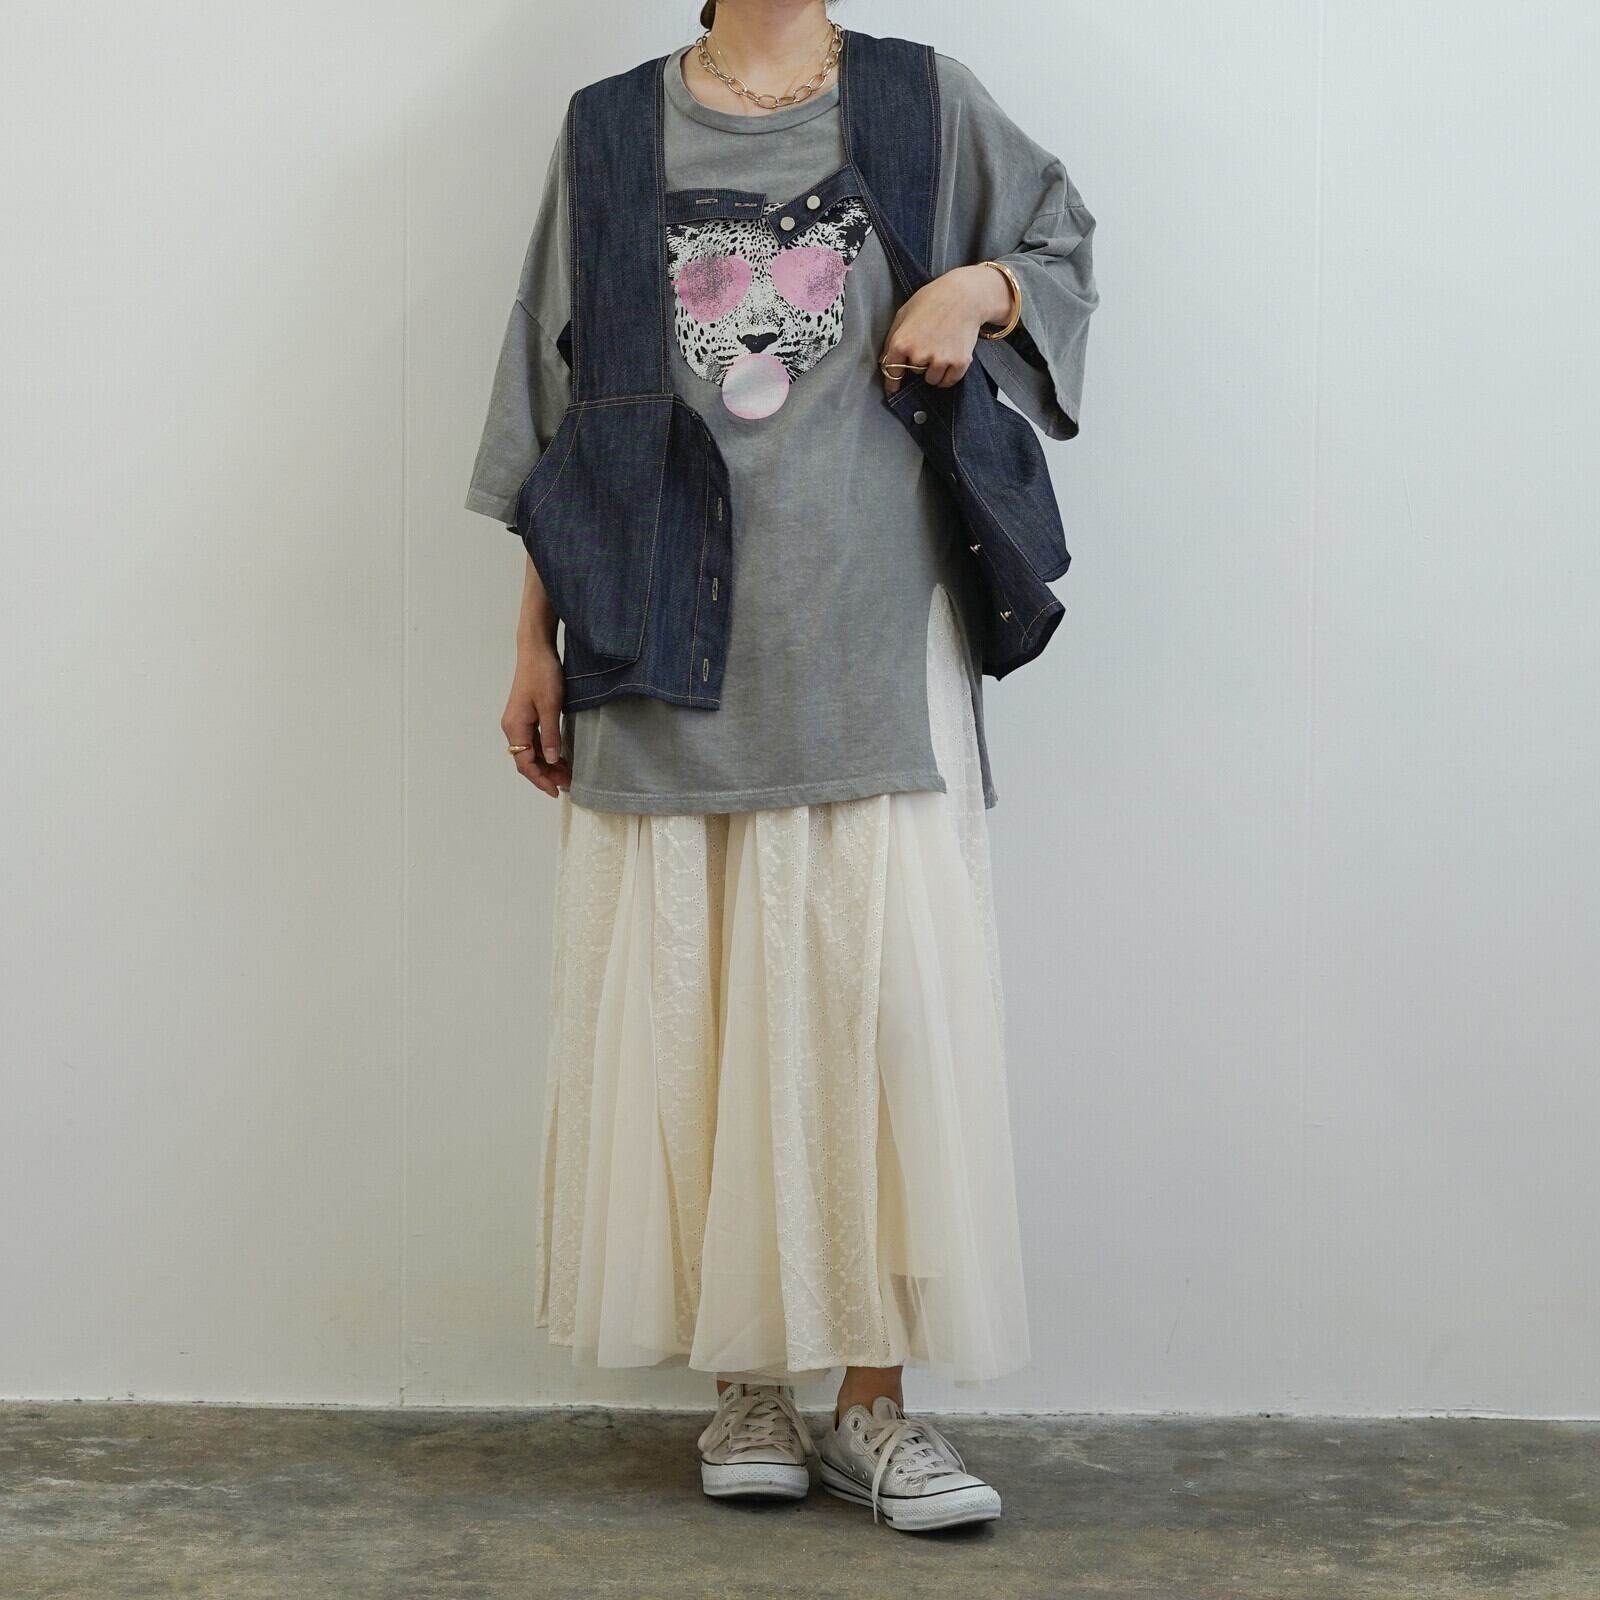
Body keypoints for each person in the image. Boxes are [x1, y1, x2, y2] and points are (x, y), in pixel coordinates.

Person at [464, 0, 1097, 1534]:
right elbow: (559, 402)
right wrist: (534, 640)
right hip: (655, 625)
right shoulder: (610, 125)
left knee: (878, 1015)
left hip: (871, 630)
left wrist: (980, 286)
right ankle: (748, 1383)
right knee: (701, 1010)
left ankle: (874, 1406)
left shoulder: (922, 98)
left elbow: (1060, 246)